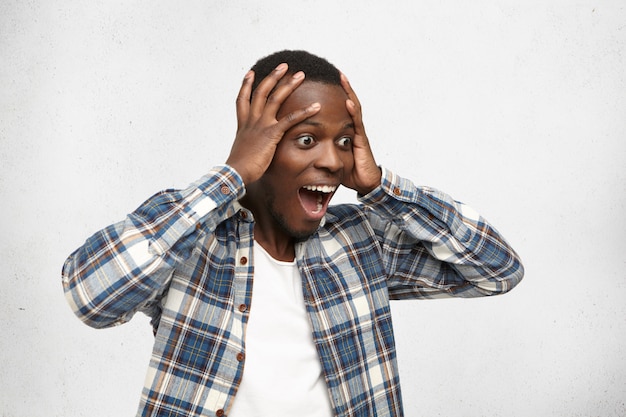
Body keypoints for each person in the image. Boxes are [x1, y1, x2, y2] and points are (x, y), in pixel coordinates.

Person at [62, 50, 524, 417]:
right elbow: (92, 297)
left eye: (344, 141)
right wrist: (230, 176)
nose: (333, 161)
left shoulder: (363, 242)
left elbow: (497, 270)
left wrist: (382, 186)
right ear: (258, 148)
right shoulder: (194, 238)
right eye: (306, 140)